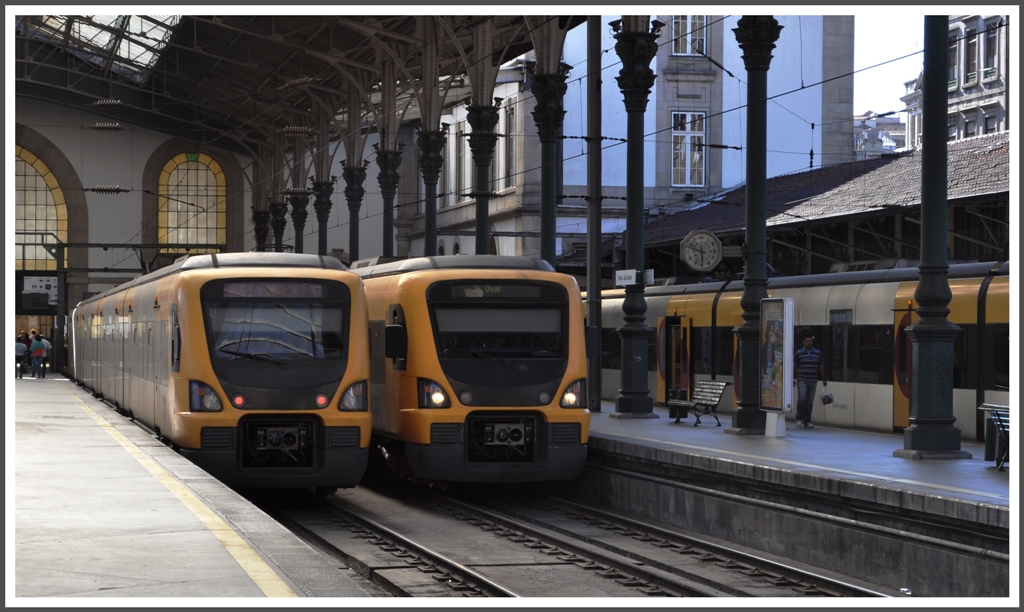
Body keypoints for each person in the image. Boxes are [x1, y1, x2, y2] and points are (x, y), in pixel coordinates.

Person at [794, 333, 826, 428]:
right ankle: (799, 418)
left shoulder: (817, 353)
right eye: (807, 341)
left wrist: (824, 378)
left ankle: (807, 420)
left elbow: (821, 365)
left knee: (809, 401)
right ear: (803, 342)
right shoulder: (798, 353)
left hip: (813, 379)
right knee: (802, 398)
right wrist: (792, 378)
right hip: (802, 379)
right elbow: (794, 366)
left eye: (810, 341)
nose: (809, 343)